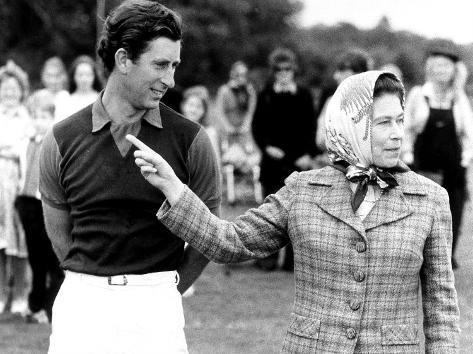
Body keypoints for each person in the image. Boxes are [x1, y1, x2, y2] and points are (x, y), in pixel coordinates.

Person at [128, 71, 459, 353]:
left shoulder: (429, 199)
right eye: (383, 122)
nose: (397, 133)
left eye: (400, 120)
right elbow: (231, 242)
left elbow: (441, 309)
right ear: (351, 123)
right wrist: (174, 188)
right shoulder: (303, 189)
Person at [39, 1, 221, 353]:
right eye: (160, 65)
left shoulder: (192, 140)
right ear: (123, 60)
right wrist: (93, 282)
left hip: (158, 311)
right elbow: (60, 235)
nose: (170, 79)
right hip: (81, 308)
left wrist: (163, 290)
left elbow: (208, 232)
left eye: (174, 66)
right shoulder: (60, 140)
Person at [403, 39, 473, 269]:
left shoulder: (460, 98)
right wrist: (407, 154)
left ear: (454, 70)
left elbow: (467, 134)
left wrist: (465, 159)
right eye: (437, 65)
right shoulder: (417, 94)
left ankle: (444, 260)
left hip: (453, 165)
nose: (441, 70)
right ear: (429, 68)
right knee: (421, 214)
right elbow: (407, 128)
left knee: (453, 213)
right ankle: (416, 259)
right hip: (423, 163)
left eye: (446, 66)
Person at [251, 47, 318, 271]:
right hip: (272, 162)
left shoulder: (304, 94)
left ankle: (292, 262)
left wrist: (308, 154)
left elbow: (311, 125)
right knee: (270, 211)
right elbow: (257, 127)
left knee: (297, 214)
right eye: (279, 69)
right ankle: (267, 259)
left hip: (298, 162)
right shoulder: (266, 94)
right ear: (273, 71)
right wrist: (267, 147)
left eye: (287, 69)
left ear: (294, 70)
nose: (283, 73)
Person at [16, 90, 64, 323]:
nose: (39, 121)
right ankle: (34, 305)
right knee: (34, 258)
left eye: (44, 117)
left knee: (51, 258)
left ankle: (50, 307)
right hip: (26, 204)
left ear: (52, 118)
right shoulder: (26, 141)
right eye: (35, 116)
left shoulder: (55, 143)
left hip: (45, 203)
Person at [0, 60, 31, 314]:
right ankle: (1, 294)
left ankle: (21, 294)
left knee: (19, 240)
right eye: (5, 88)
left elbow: (25, 149)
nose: (9, 93)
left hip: (18, 184)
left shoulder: (27, 118)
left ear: (21, 91)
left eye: (14, 88)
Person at [216, 61, 261, 204]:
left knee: (253, 156)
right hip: (228, 133)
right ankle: (232, 191)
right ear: (232, 74)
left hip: (244, 133)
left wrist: (246, 125)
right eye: (238, 74)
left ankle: (247, 189)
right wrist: (227, 126)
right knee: (230, 156)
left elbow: (251, 110)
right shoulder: (224, 90)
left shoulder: (249, 90)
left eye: (244, 74)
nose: (241, 77)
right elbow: (220, 111)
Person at [315, 48, 373, 154]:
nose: (336, 76)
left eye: (342, 70)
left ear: (359, 73)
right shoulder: (331, 101)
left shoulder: (375, 103)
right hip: (334, 164)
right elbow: (321, 140)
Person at [34, 56, 70, 122]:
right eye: (49, 76)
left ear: (63, 77)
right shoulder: (37, 96)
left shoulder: (68, 97)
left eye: (57, 76)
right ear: (43, 76)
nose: (53, 80)